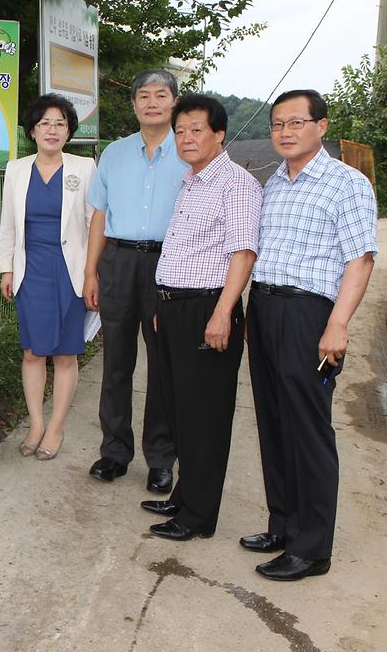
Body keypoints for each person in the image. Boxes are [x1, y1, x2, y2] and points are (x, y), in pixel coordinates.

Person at [242, 89, 377, 581]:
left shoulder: (347, 183)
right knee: (274, 421)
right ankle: (283, 526)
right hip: (263, 307)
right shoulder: (273, 182)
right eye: (278, 124)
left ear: (320, 126)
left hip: (309, 313)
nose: (284, 132)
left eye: (295, 123)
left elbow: (360, 258)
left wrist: (337, 324)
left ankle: (312, 548)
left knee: (308, 429)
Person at [138, 94, 262, 541]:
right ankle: (185, 497)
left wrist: (223, 312)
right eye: (180, 131)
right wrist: (160, 305)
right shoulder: (191, 181)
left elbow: (243, 252)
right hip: (172, 307)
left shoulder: (237, 184)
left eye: (196, 130)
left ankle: (198, 517)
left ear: (219, 134)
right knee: (178, 408)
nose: (186, 138)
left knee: (204, 416)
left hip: (207, 308)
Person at [84, 69, 189, 492]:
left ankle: (161, 459)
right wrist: (91, 270)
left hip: (169, 264)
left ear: (174, 102)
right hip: (119, 262)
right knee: (116, 364)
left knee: (163, 365)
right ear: (133, 105)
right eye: (143, 96)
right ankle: (114, 451)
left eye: (160, 95)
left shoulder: (189, 151)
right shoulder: (114, 153)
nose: (151, 103)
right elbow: (99, 217)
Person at [0, 93, 97, 460]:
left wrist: (93, 274)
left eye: (60, 124)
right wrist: (7, 268)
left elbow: (93, 224)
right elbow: (8, 223)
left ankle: (56, 427)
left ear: (69, 131)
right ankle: (36, 423)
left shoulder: (84, 167)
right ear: (32, 131)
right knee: (32, 351)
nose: (52, 130)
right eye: (44, 124)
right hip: (30, 270)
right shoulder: (16, 169)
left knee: (66, 354)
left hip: (70, 270)